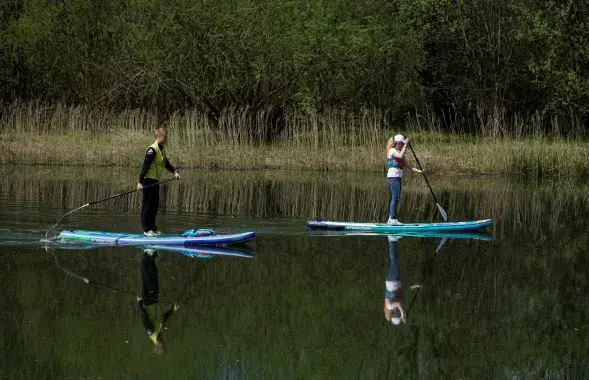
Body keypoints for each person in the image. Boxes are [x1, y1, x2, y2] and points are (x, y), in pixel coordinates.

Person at [137, 127, 180, 236]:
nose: (166, 139)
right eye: (164, 137)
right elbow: (145, 166)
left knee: (154, 205)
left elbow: (166, 163)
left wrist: (174, 171)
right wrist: (140, 182)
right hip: (147, 181)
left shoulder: (162, 149)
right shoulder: (152, 150)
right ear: (158, 137)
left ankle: (153, 228)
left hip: (156, 181)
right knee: (146, 206)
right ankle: (146, 230)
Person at [137, 248, 179, 355]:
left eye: (162, 344)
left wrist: (139, 302)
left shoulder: (150, 332)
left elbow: (144, 316)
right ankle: (153, 255)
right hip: (154, 298)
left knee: (147, 277)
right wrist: (172, 310)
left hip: (147, 300)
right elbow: (163, 318)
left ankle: (146, 255)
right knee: (154, 277)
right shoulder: (159, 332)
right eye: (164, 344)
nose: (164, 342)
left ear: (157, 345)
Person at [383, 236, 422, 325]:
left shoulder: (390, 306)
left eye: (396, 315)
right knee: (395, 259)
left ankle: (391, 239)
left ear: (394, 314)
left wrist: (402, 315)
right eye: (398, 315)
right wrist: (416, 286)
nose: (397, 313)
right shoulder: (398, 303)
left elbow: (398, 305)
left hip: (392, 281)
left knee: (394, 260)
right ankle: (393, 240)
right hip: (395, 281)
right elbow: (405, 290)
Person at [385, 134, 423, 225]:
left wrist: (418, 170)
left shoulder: (398, 151)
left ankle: (392, 218)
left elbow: (406, 165)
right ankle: (392, 219)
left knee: (397, 197)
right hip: (393, 176)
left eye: (403, 144)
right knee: (395, 197)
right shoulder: (392, 150)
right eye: (401, 143)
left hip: (398, 177)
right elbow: (400, 156)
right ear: (397, 143)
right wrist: (406, 145)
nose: (402, 145)